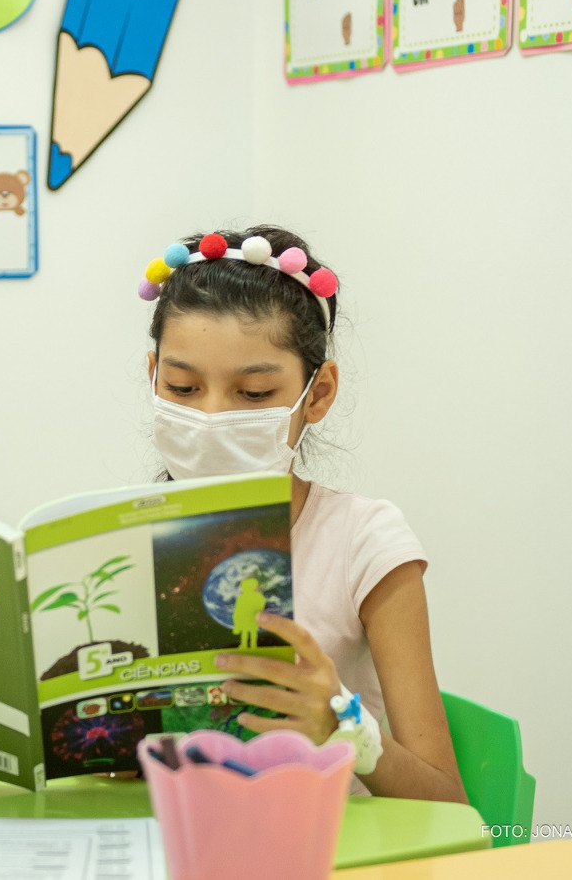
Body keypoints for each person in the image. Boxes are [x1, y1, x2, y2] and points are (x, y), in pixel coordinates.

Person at [138, 226, 466, 802]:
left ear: (316, 394)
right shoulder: (124, 539)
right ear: (153, 376)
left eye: (255, 394)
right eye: (183, 387)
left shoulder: (365, 543)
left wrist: (346, 725)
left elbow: (448, 801)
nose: (212, 416)